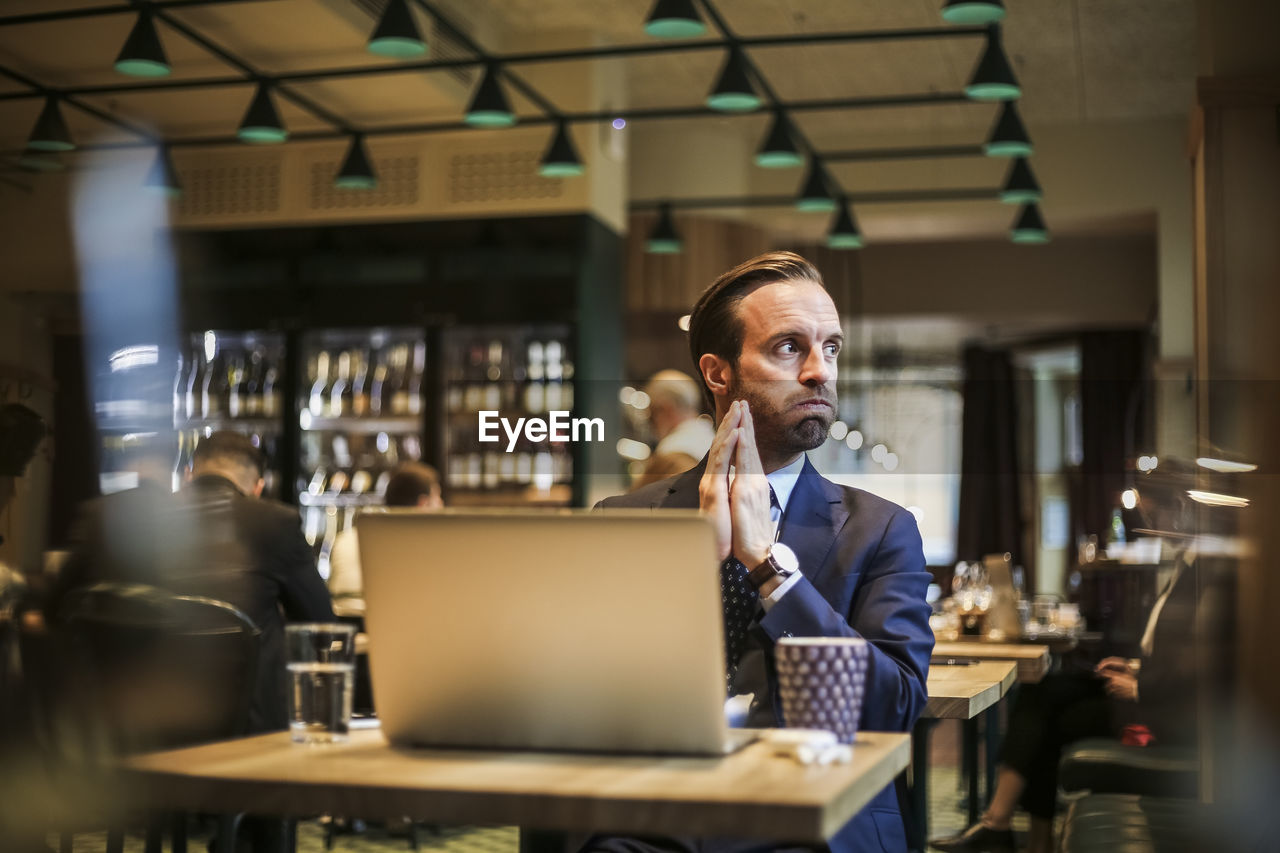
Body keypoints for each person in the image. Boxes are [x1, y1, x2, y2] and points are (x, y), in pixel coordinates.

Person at [594, 251, 935, 853]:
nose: (819, 371)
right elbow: (584, 699)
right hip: (653, 820)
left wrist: (770, 567)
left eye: (830, 348)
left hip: (811, 821)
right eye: (788, 347)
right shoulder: (625, 522)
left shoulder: (881, 530)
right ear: (718, 373)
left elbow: (896, 708)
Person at [931, 464, 1200, 853]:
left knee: (1047, 718)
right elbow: (1179, 653)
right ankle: (1016, 831)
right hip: (1152, 689)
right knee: (1042, 693)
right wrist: (1138, 668)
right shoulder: (1187, 565)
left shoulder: (1204, 569)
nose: (1149, 523)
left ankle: (1002, 826)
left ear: (1179, 507)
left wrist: (1141, 684)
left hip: (1163, 712)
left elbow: (1207, 666)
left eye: (1153, 514)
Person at [47, 430, 334, 733]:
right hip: (244, 734)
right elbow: (321, 622)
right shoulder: (276, 522)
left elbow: (54, 610)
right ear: (257, 488)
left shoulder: (109, 517)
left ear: (187, 476)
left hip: (129, 730)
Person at [327, 462, 443, 602]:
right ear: (423, 504)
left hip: (350, 621)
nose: (441, 504)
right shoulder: (425, 550)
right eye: (437, 497)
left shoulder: (346, 540)